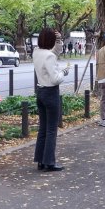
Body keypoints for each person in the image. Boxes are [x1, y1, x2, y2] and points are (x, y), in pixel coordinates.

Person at [32, 28, 69, 171]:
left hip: (40, 91)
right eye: (54, 40)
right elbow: (56, 79)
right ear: (50, 41)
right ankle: (50, 162)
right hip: (50, 93)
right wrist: (63, 72)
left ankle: (40, 160)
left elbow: (56, 51)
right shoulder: (49, 56)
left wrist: (59, 39)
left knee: (43, 128)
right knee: (52, 130)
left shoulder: (37, 52)